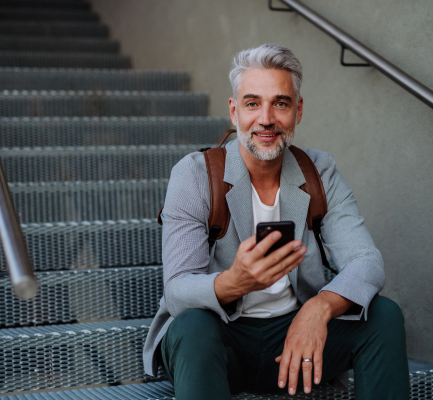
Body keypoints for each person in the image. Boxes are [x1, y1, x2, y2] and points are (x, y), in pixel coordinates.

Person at [143, 43, 408, 399]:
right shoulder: (194, 174)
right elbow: (177, 291)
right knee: (191, 324)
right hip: (221, 342)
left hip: (294, 341)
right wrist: (233, 283)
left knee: (383, 315)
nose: (266, 118)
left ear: (298, 111)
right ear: (234, 111)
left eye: (280, 103)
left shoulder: (319, 170)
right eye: (253, 103)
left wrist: (319, 307)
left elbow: (367, 262)